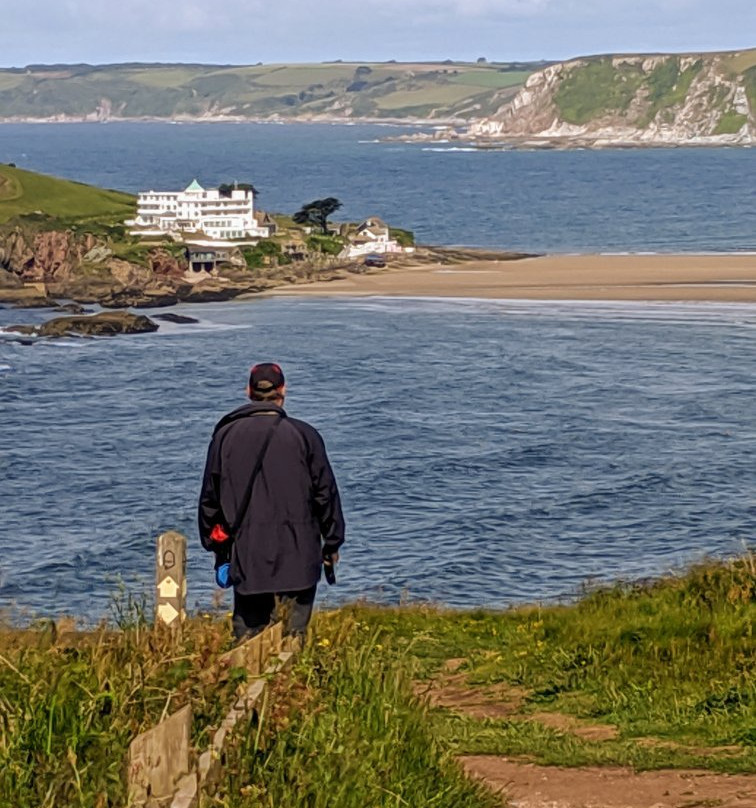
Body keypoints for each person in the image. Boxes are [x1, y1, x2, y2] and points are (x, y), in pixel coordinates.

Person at [198, 362, 345, 640]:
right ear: (283, 391)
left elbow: (210, 500)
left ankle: (248, 680)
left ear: (248, 391)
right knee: (293, 637)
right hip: (299, 555)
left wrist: (216, 546)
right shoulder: (305, 435)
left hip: (248, 555)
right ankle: (289, 682)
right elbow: (326, 494)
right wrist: (333, 542)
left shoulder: (224, 437)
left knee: (248, 640)